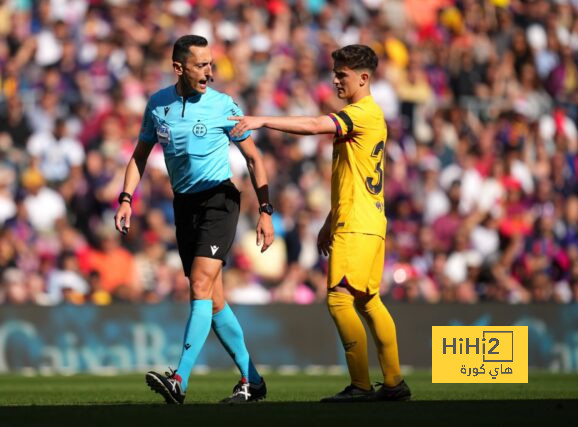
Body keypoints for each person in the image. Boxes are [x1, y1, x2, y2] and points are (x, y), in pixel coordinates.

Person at [230, 44, 411, 402]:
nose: (335, 80)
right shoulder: (370, 117)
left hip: (357, 224)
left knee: (339, 300)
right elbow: (354, 177)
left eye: (342, 75)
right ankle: (393, 383)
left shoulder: (361, 114)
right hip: (368, 220)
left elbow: (315, 125)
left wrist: (262, 119)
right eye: (335, 73)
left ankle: (361, 387)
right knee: (368, 301)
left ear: (364, 77)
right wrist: (330, 219)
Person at [114, 35, 274, 404]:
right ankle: (254, 380)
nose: (209, 72)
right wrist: (126, 199)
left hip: (220, 199)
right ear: (178, 68)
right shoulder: (158, 106)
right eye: (201, 65)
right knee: (214, 301)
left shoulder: (223, 105)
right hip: (184, 205)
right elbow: (139, 157)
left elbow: (254, 159)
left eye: (211, 64)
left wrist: (265, 211)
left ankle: (179, 379)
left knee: (199, 285)